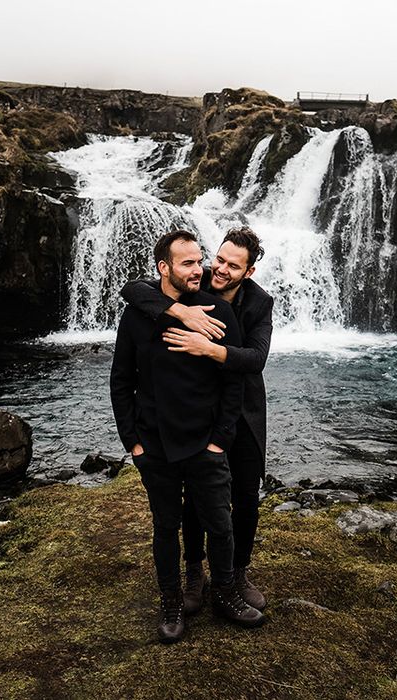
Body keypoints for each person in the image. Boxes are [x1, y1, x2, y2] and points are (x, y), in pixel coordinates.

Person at [110, 229, 264, 643]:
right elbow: (121, 380)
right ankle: (172, 602)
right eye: (189, 263)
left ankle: (227, 593)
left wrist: (220, 440)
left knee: (220, 523)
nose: (202, 270)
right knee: (165, 526)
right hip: (154, 444)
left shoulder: (219, 309)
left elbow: (235, 380)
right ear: (164, 268)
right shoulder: (140, 312)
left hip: (204, 442)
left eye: (201, 261)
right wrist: (133, 443)